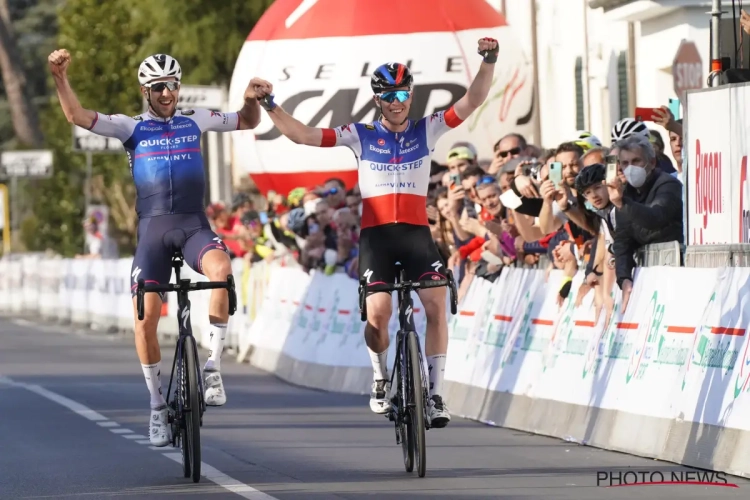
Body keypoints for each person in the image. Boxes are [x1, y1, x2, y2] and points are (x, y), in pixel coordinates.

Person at [252, 37, 499, 428]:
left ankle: (435, 395)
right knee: (379, 317)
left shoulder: (428, 128)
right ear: (377, 98)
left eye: (402, 93)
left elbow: (473, 100)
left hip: (417, 237)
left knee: (436, 308)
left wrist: (488, 60)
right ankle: (381, 375)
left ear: (411, 94)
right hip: (377, 239)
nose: (397, 101)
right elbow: (303, 135)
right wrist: (269, 104)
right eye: (388, 94)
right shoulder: (360, 134)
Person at [47, 49, 265, 447]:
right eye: (159, 87)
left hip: (194, 225)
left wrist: (250, 98)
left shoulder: (196, 119)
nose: (168, 93)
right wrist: (61, 78)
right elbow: (77, 116)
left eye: (173, 85)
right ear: (145, 90)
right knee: (145, 318)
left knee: (222, 271)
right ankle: (156, 408)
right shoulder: (129, 127)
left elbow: (248, 120)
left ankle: (213, 367)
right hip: (153, 233)